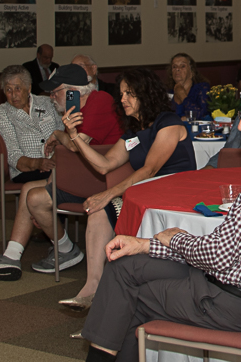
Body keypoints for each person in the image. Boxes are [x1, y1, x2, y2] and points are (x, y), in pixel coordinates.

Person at [75, 79, 241, 362]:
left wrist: (175, 238)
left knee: (126, 297)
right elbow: (231, 250)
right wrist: (146, 245)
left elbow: (219, 255)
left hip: (233, 303)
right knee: (124, 267)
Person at [57, 68, 197, 311]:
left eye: (129, 94)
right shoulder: (133, 132)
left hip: (176, 199)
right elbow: (104, 165)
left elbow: (150, 170)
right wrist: (74, 135)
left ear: (146, 94)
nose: (122, 100)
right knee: (98, 210)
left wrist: (108, 193)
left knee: (105, 202)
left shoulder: (169, 123)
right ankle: (93, 288)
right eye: (121, 94)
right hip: (147, 198)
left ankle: (117, 303)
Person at [0, 65, 70, 281]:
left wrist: (55, 159)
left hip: (59, 163)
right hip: (26, 169)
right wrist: (38, 163)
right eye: (8, 90)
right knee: (29, 187)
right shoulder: (2, 113)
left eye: (18, 89)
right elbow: (13, 155)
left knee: (29, 191)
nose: (13, 95)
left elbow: (64, 133)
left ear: (29, 87)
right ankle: (59, 247)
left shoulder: (47, 103)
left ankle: (13, 256)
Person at [167, 53, 210, 121]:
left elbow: (201, 115)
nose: (177, 69)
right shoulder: (169, 91)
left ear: (191, 71)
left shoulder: (202, 88)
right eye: (174, 67)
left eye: (182, 66)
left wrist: (182, 95)